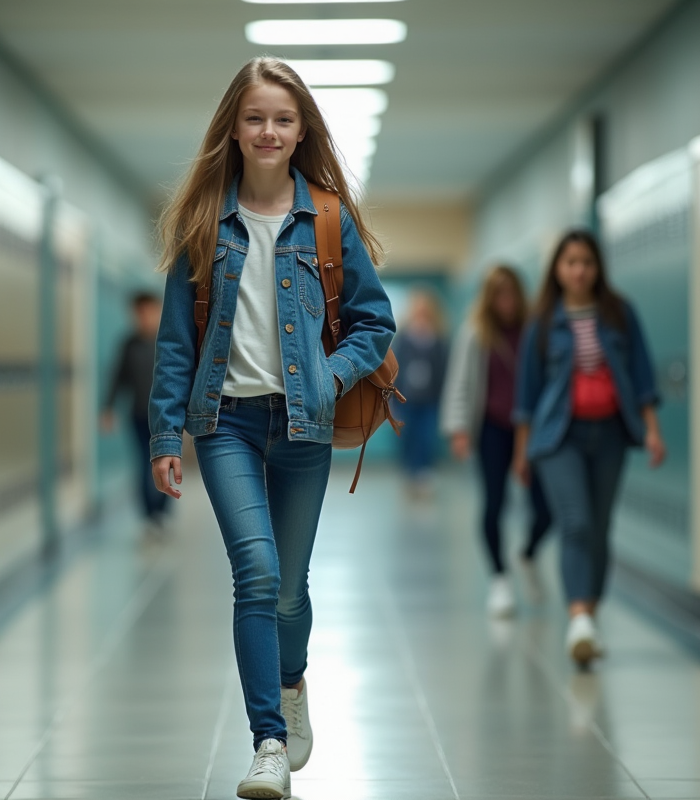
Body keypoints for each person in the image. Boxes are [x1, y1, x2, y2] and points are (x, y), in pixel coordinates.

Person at [148, 58, 395, 799]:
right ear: (234, 126)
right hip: (224, 422)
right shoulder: (202, 222)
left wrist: (332, 373)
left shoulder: (325, 218)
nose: (269, 130)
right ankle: (267, 741)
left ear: (301, 131)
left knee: (289, 588)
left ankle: (292, 683)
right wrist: (166, 437)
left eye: (283, 119)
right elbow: (174, 344)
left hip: (303, 424)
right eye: (255, 117)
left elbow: (373, 323)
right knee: (253, 573)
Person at [512, 230, 665, 668]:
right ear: (557, 270)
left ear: (597, 269)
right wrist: (523, 453)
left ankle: (589, 618)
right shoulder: (542, 323)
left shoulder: (619, 314)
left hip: (611, 433)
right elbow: (528, 396)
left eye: (587, 263)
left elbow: (642, 379)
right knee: (575, 522)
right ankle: (578, 616)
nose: (579, 270)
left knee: (599, 528)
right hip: (560, 437)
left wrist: (652, 431)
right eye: (571, 262)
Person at [441, 265, 552, 618]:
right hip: (491, 428)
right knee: (494, 503)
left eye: (510, 293)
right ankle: (500, 579)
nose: (505, 301)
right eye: (498, 294)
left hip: (533, 430)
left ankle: (529, 553)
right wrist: (459, 430)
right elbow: (460, 382)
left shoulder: (535, 331)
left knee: (547, 509)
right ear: (489, 298)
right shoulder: (476, 333)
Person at [101, 291, 167, 535]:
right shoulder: (128, 344)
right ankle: (149, 516)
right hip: (139, 417)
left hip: (165, 419)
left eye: (149, 311)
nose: (145, 317)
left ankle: (162, 511)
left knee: (166, 464)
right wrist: (108, 409)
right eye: (140, 313)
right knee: (143, 465)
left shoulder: (166, 342)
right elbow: (117, 378)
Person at [393, 290, 449, 495]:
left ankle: (424, 477)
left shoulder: (438, 338)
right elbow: (394, 370)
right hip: (406, 400)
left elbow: (443, 370)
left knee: (427, 438)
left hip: (430, 399)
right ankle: (410, 475)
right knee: (408, 438)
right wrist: (393, 400)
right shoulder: (403, 338)